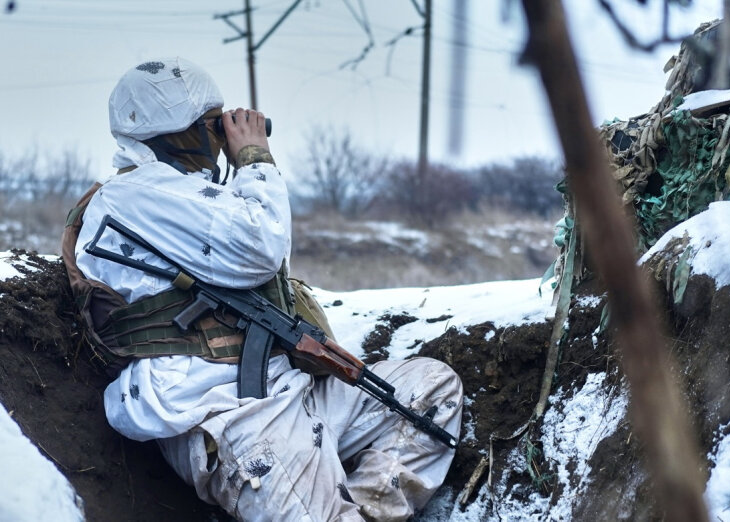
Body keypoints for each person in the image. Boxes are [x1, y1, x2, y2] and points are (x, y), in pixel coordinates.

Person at [62, 57, 463, 522]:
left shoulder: (188, 194)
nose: (224, 134)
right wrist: (254, 157)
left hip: (289, 393)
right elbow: (260, 247)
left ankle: (354, 512)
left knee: (432, 390)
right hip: (228, 414)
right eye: (215, 124)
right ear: (181, 132)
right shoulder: (137, 195)